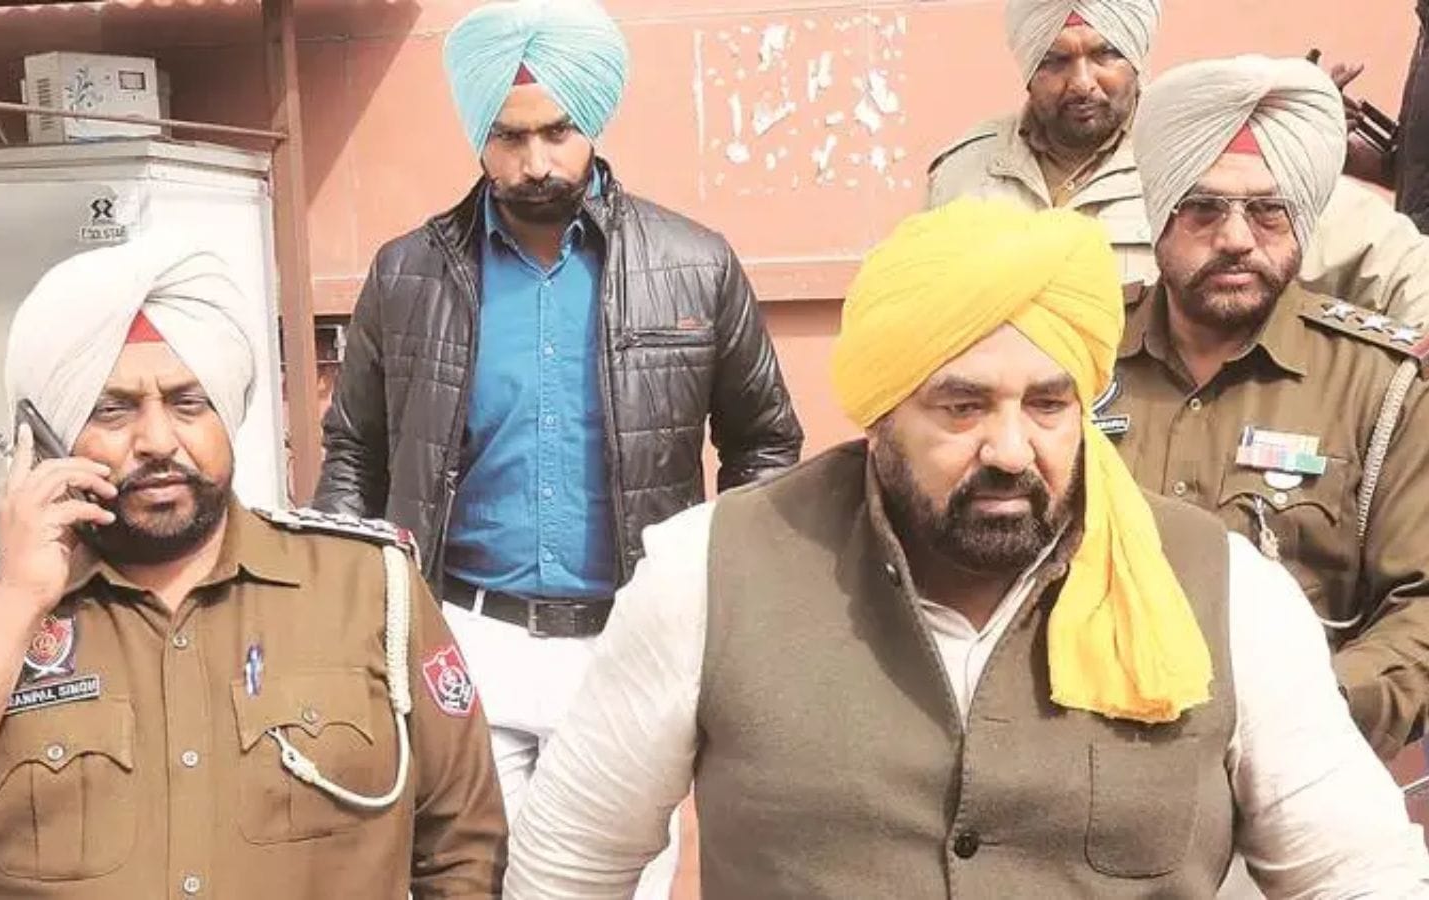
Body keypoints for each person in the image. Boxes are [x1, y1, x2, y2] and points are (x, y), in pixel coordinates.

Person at [502, 199, 1429, 898]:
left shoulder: (1227, 592)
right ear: (881, 414)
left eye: (1049, 405)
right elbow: (571, 866)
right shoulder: (709, 572)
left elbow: (1358, 874)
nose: (1011, 449)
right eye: (963, 406)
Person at [0, 241, 505, 898]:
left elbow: (462, 845)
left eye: (188, 404)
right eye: (112, 409)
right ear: (48, 437)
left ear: (226, 414)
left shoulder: (369, 587)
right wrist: (16, 603)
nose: (156, 441)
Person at [312, 1, 802, 891]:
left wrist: (722, 595)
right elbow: (354, 455)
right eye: (508, 138)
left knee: (619, 882)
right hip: (464, 635)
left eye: (557, 133)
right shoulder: (407, 273)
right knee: (467, 877)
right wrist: (348, 619)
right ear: (478, 135)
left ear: (593, 122)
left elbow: (765, 443)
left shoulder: (693, 264)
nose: (535, 163)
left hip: (630, 638)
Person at [1106, 55, 1429, 761]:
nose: (1235, 238)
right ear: (1160, 215)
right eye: (1203, 208)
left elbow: (1421, 606)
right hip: (1087, 760)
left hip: (1298, 771)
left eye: (1267, 210)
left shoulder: (1381, 387)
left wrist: (1306, 712)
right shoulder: (1073, 361)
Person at [926, 0, 1429, 325]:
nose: (1082, 82)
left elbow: (1395, 262)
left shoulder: (1206, 150)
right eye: (1055, 61)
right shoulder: (966, 171)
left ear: (1137, 57)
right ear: (1028, 68)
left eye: (1105, 55)